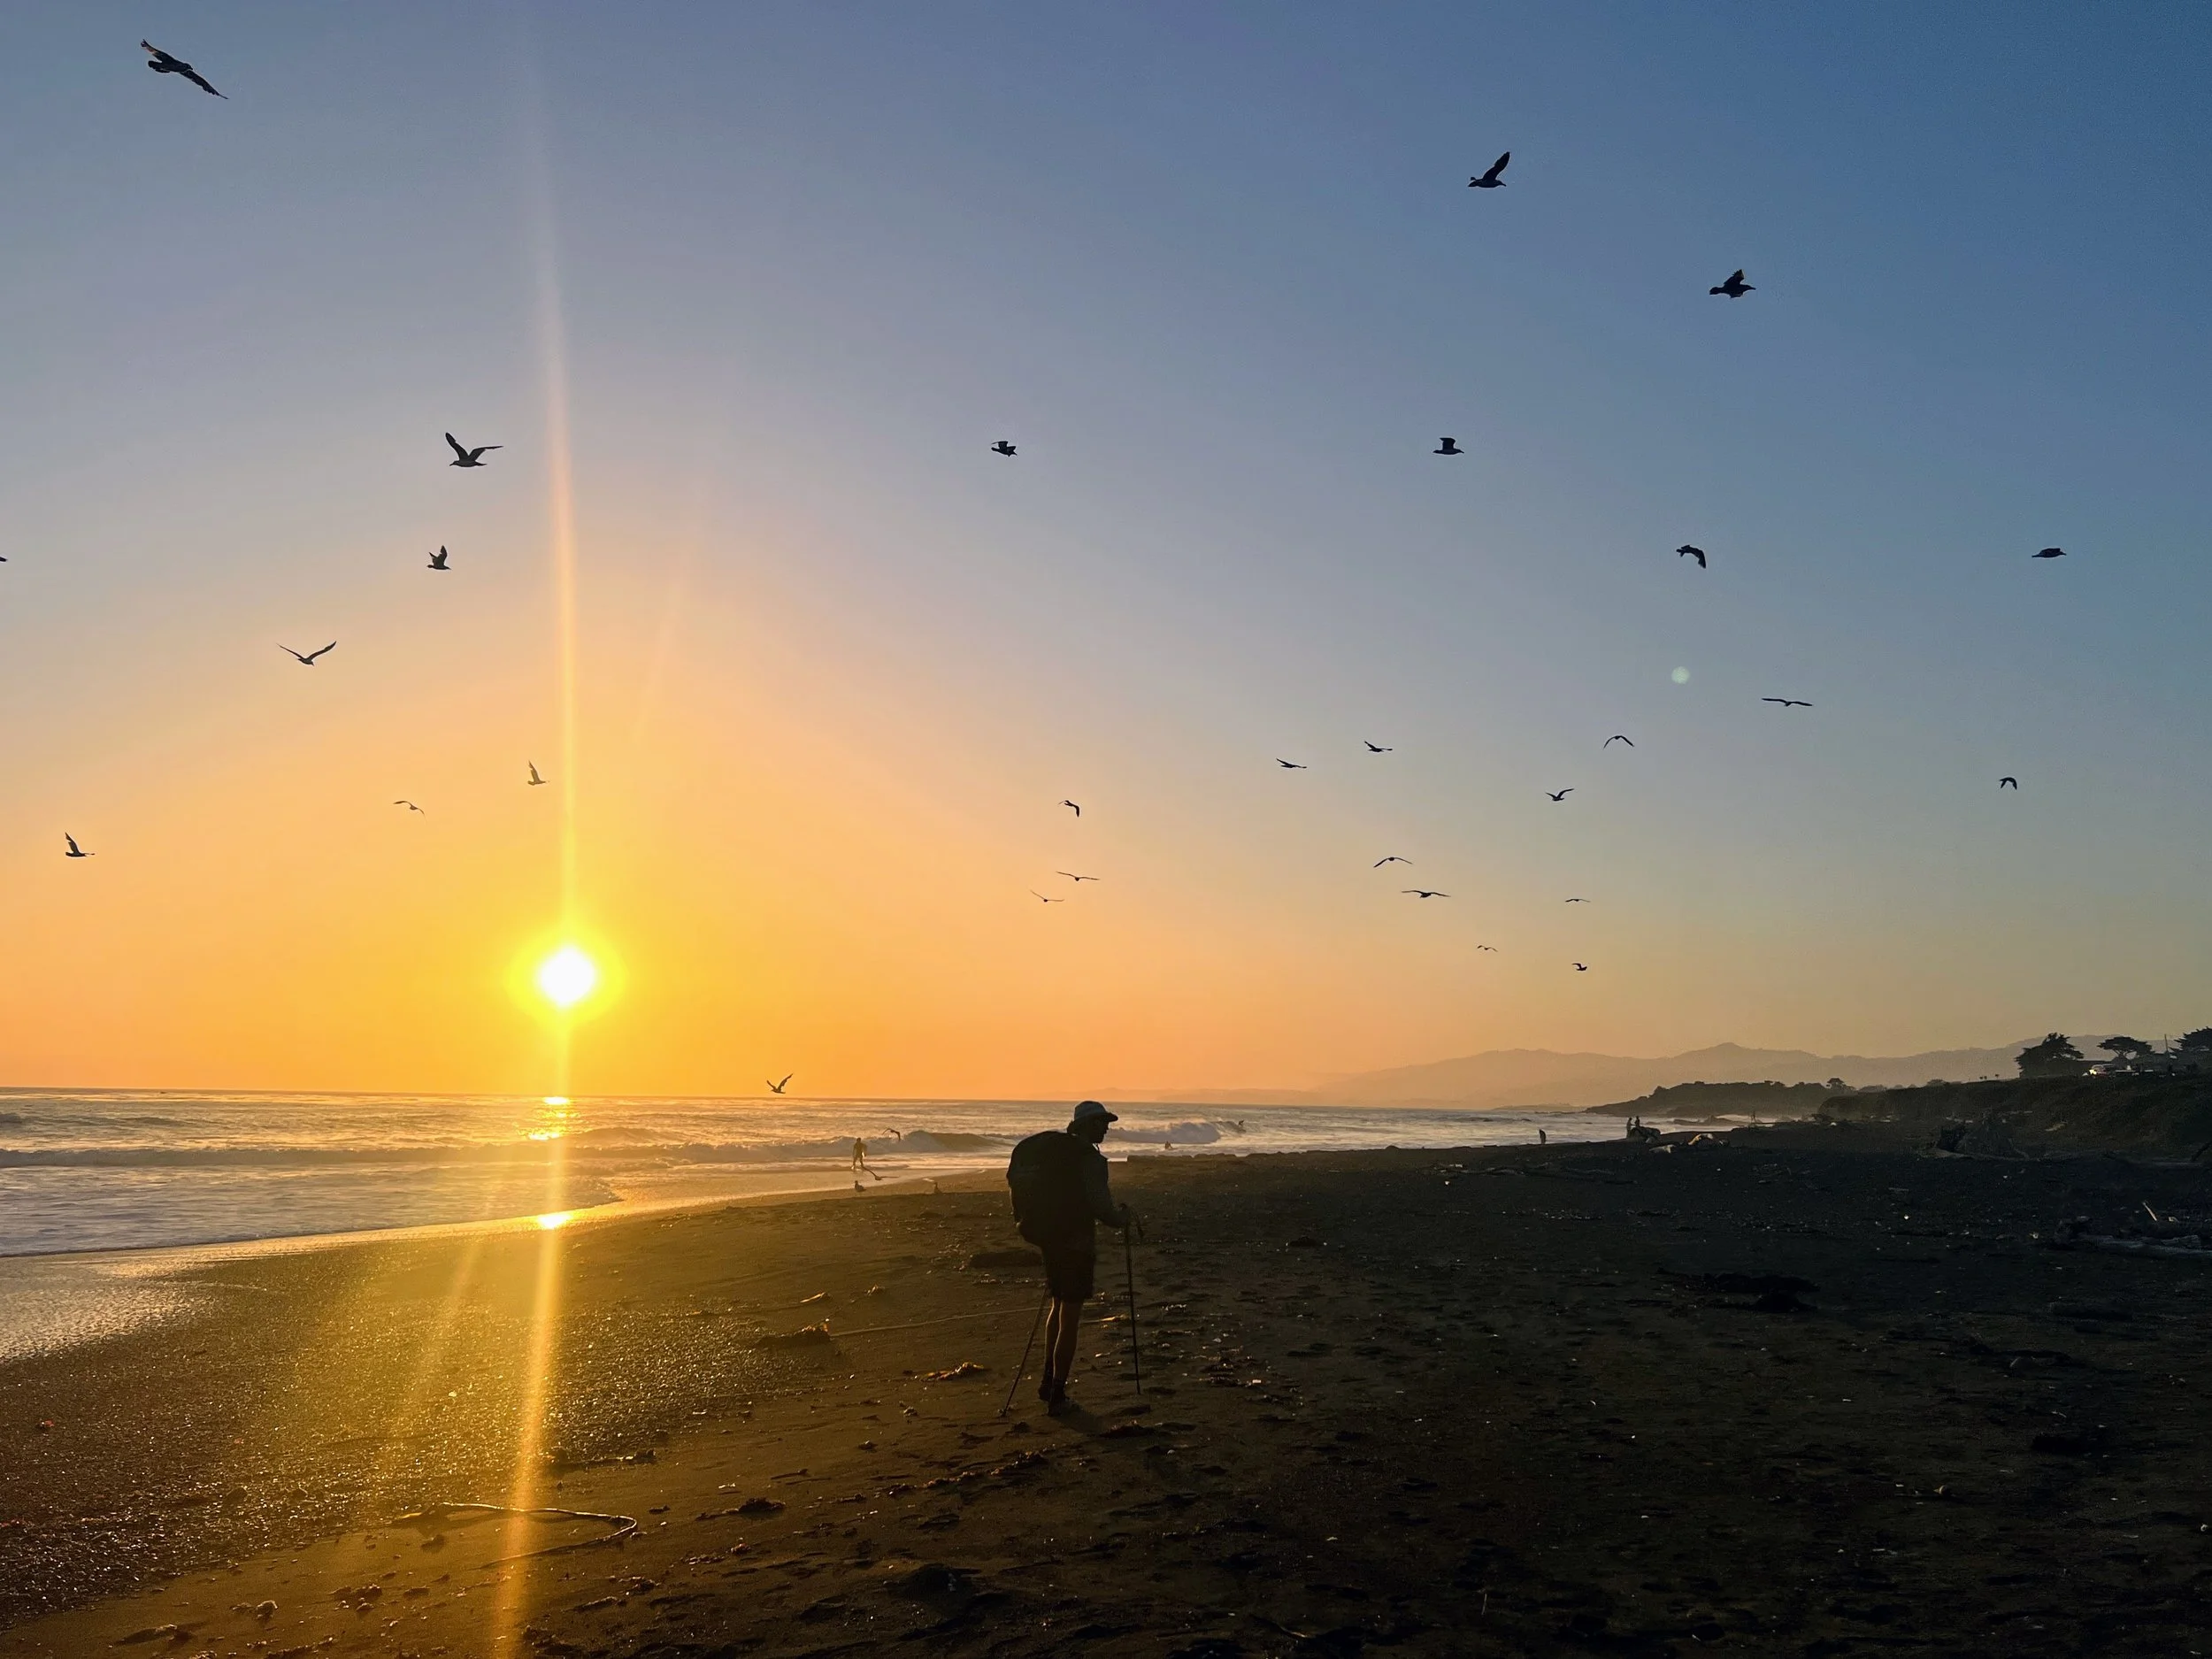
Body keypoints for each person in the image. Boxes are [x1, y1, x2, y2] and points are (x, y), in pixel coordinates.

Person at [1006, 1100, 1131, 1413]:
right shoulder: (1089, 1160)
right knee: (1070, 1319)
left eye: (1106, 1123)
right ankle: (1057, 1393)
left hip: (1051, 1241)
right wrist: (1124, 1219)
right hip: (1076, 1244)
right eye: (1101, 1122)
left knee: (1058, 1306)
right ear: (1085, 1125)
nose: (1105, 1128)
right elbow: (1103, 1209)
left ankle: (1048, 1382)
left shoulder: (1055, 1154)